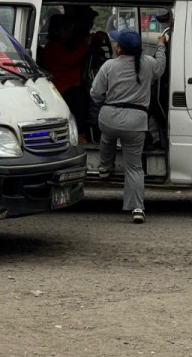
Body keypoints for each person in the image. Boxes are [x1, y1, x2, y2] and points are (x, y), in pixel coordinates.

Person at [90, 29, 167, 223]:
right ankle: (137, 208)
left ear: (119, 48)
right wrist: (161, 45)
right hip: (135, 122)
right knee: (134, 167)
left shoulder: (109, 66)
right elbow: (161, 67)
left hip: (108, 117)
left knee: (107, 136)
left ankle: (104, 167)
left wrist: (103, 101)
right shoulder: (149, 64)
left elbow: (95, 93)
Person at [39, 13, 93, 138]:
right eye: (65, 28)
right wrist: (86, 44)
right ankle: (80, 134)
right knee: (80, 105)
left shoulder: (64, 44)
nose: (68, 31)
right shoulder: (53, 46)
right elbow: (71, 59)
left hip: (71, 84)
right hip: (64, 86)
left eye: (70, 27)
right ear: (56, 31)